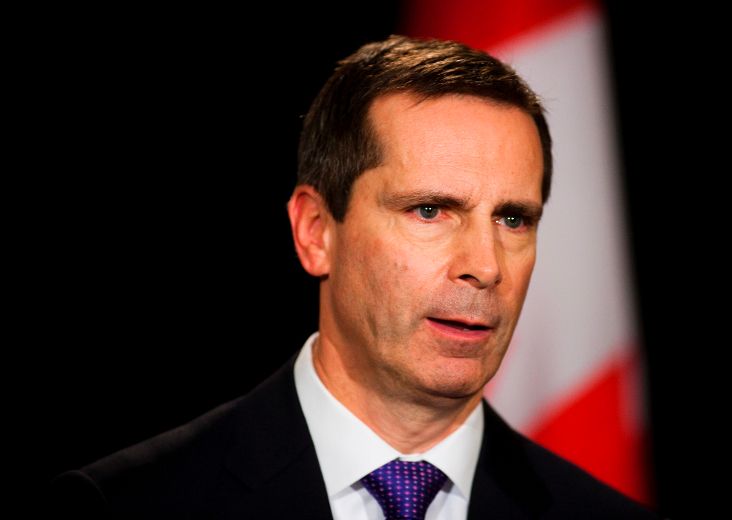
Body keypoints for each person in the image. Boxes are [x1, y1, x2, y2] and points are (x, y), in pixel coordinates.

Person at [49, 35, 658, 519]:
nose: (486, 265)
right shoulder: (129, 505)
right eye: (430, 210)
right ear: (316, 231)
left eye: (513, 219)